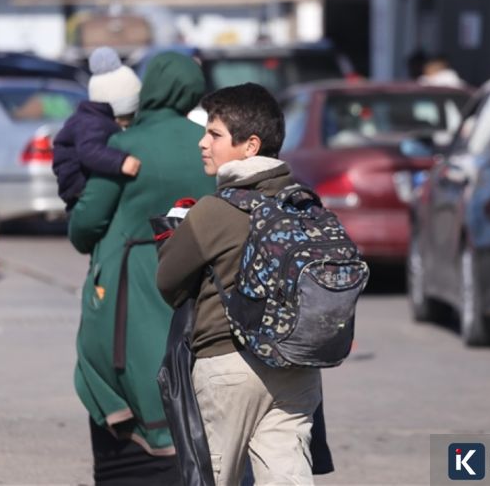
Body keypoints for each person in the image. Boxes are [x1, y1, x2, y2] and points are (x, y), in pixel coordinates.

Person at [157, 83, 322, 485]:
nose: (203, 143)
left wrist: (176, 235)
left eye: (214, 134)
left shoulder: (214, 211)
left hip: (227, 366)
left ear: (250, 146)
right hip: (297, 368)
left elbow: (168, 282)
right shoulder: (303, 203)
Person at [67, 51, 216, 485]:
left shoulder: (124, 145)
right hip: (195, 288)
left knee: (125, 382)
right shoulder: (210, 146)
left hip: (128, 291)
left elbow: (84, 227)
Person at [52, 46, 143, 211]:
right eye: (128, 116)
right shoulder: (91, 122)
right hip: (76, 183)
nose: (128, 123)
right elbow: (89, 151)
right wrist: (121, 162)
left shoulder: (98, 119)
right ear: (117, 109)